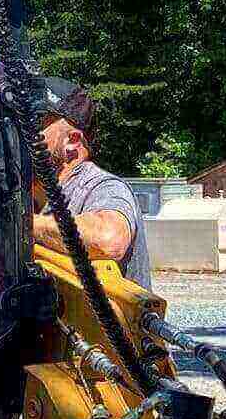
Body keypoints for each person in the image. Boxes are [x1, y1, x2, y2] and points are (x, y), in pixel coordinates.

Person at [31, 77, 152, 291]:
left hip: (111, 324)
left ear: (72, 141)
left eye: (35, 124)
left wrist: (22, 225)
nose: (22, 133)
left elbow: (110, 239)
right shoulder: (26, 194)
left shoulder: (102, 186)